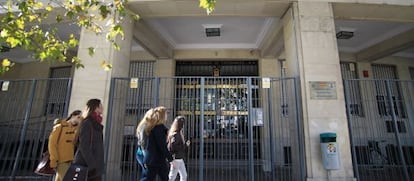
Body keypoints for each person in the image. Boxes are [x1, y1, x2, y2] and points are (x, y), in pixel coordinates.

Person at [136, 106, 174, 181]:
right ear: (162, 116)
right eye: (166, 114)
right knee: (149, 178)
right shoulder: (158, 128)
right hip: (154, 159)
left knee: (151, 177)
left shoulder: (155, 127)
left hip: (153, 159)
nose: (167, 116)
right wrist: (170, 158)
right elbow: (162, 145)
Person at [73, 98, 105, 181]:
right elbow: (84, 146)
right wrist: (92, 165)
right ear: (96, 107)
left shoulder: (96, 124)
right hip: (87, 165)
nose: (103, 107)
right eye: (100, 105)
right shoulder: (87, 123)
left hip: (95, 167)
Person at [48, 110, 82, 181]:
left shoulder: (75, 130)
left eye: (80, 119)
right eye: (78, 117)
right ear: (72, 115)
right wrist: (54, 160)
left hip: (69, 161)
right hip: (60, 160)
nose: (78, 120)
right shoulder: (59, 127)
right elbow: (52, 144)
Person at [167, 116, 191, 181]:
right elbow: (174, 146)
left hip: (179, 158)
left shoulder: (176, 133)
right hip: (176, 158)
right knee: (172, 177)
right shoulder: (176, 134)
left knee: (183, 175)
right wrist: (185, 145)